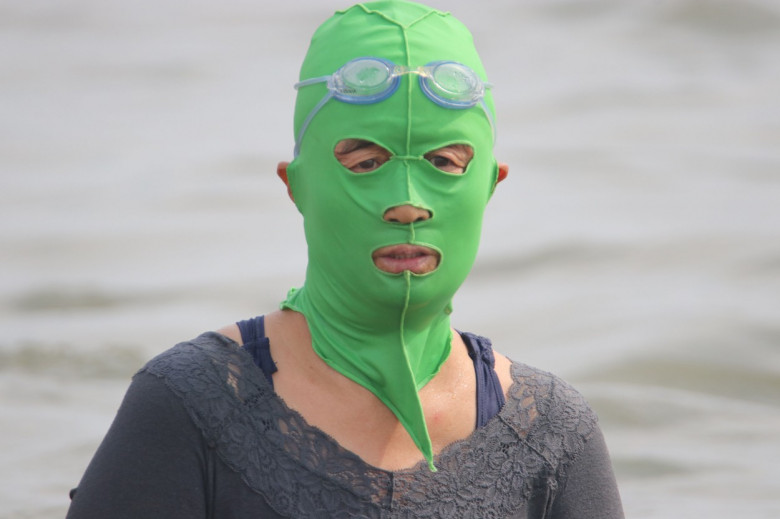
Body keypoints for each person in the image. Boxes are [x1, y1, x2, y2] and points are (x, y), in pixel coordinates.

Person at [66, 1, 624, 517]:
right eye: (364, 162)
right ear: (296, 186)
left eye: (446, 162)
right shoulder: (191, 403)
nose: (408, 203)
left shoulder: (550, 433)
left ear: (490, 185)